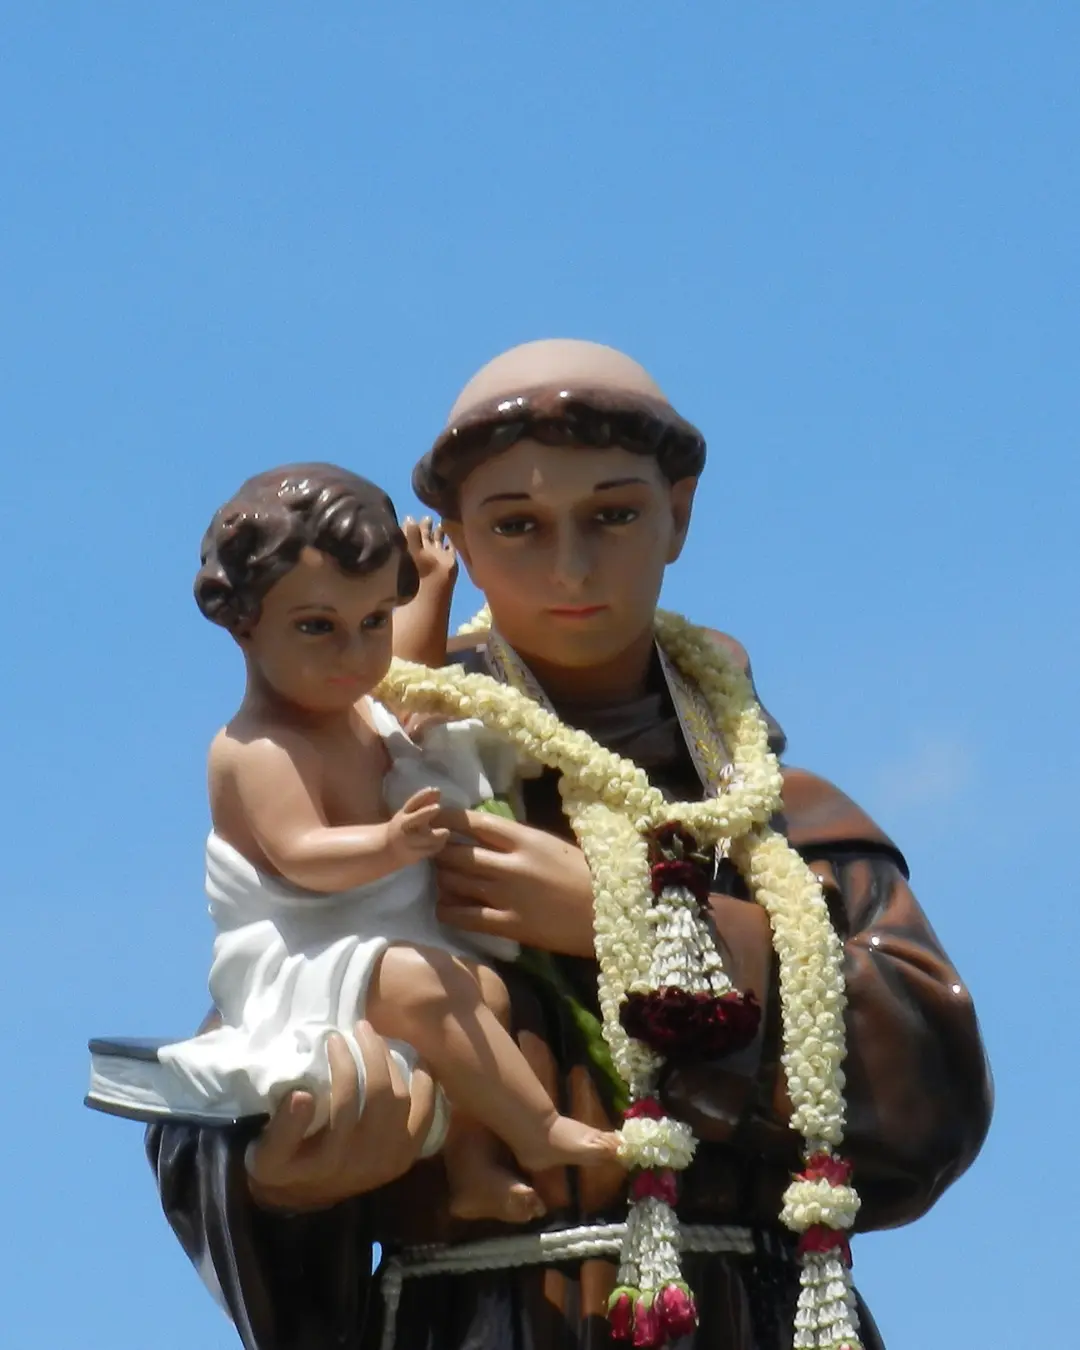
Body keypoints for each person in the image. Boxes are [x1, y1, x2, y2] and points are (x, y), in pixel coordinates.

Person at [146, 342, 992, 1349]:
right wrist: (280, 1181)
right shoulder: (386, 781)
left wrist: (632, 920)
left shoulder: (776, 823)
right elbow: (246, 1043)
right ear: (451, 538)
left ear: (679, 513)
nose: (571, 566)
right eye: (517, 525)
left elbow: (933, 1089)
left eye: (614, 514)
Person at [140, 463, 616, 1229]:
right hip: (306, 952)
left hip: (386, 935)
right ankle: (538, 1129)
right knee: (427, 990)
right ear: (243, 621)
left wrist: (433, 591)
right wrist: (393, 842)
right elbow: (302, 853)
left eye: (372, 623)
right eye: (317, 628)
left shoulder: (359, 709)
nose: (353, 655)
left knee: (479, 997)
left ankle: (473, 1165)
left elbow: (412, 676)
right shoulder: (259, 747)